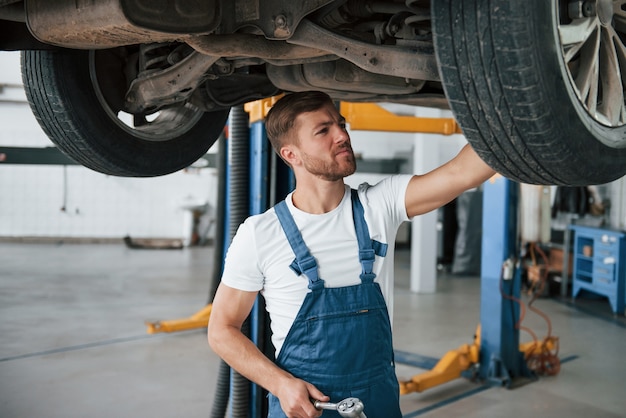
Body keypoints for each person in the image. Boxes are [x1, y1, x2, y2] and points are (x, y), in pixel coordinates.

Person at [208, 91, 495, 417]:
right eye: (323, 130)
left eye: (340, 124)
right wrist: (280, 384)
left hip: (378, 402)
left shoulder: (380, 205)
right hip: (306, 406)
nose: (342, 135)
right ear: (291, 154)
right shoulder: (260, 233)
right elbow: (222, 329)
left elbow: (464, 172)